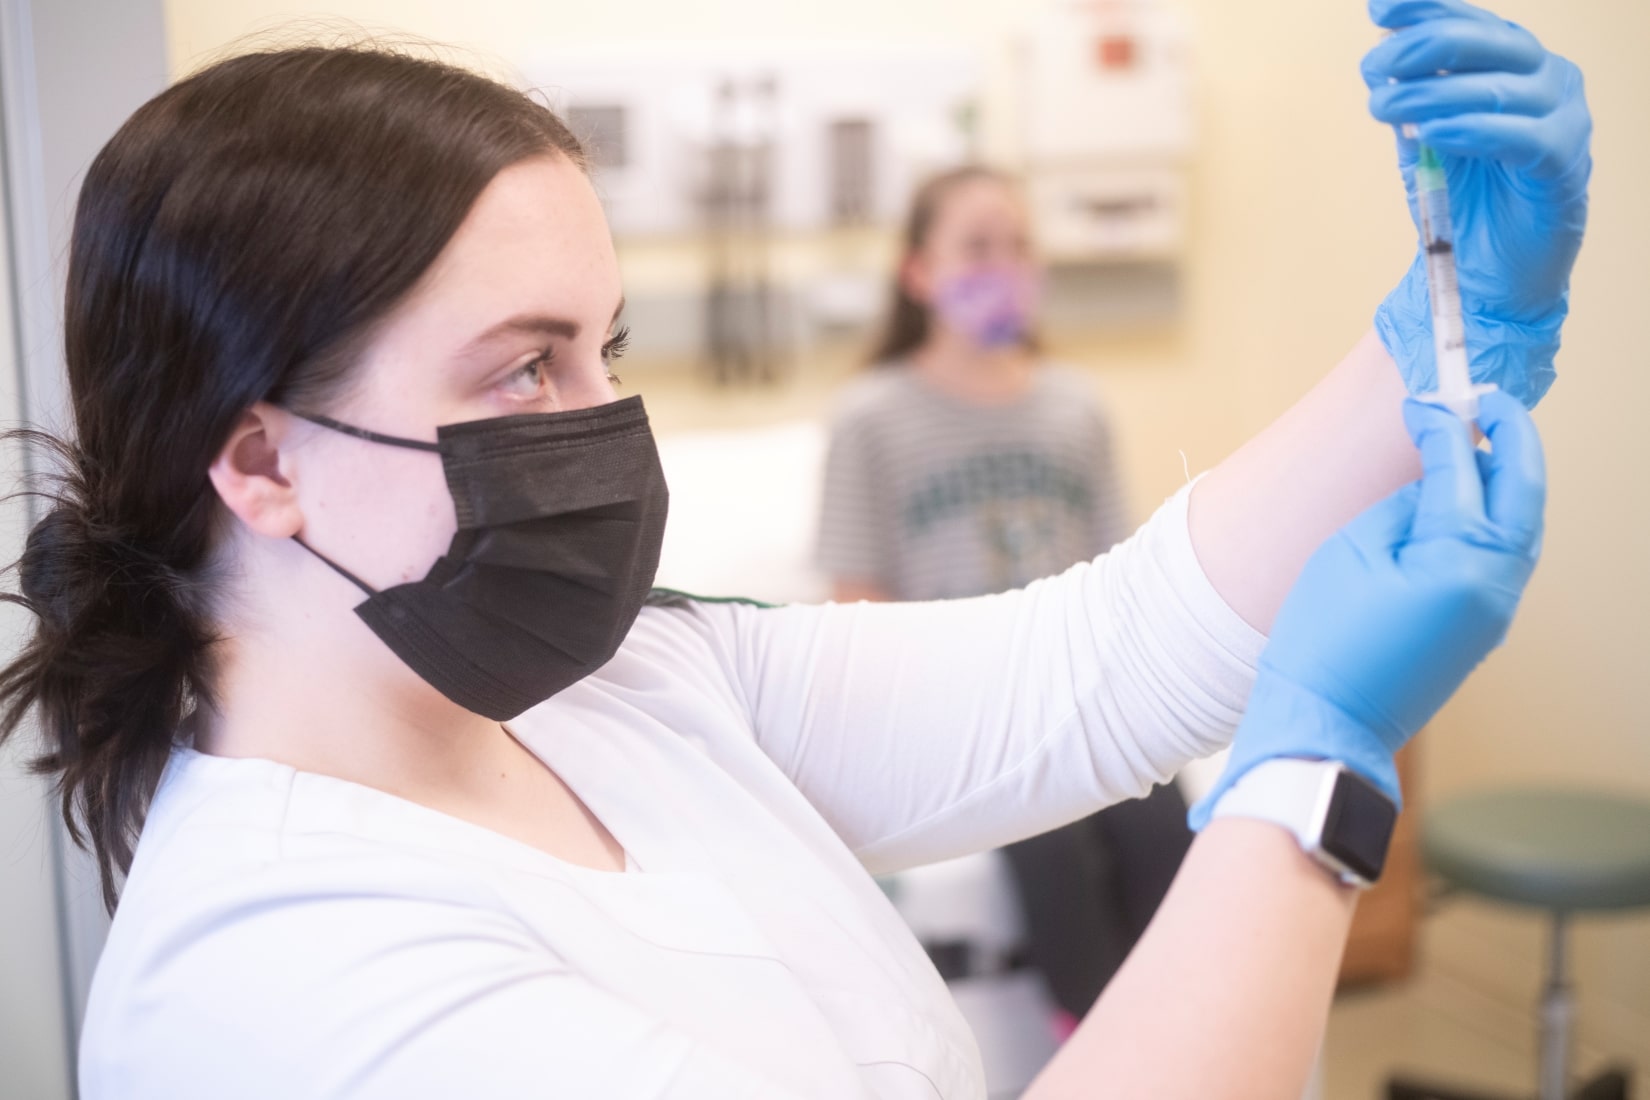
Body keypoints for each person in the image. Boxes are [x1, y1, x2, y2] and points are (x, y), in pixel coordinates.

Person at [0, 2, 1587, 1097]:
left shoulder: (611, 691)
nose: (606, 423)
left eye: (605, 350)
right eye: (524, 367)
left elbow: (1088, 663)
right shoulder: (285, 982)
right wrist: (1315, 784)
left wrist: (1455, 333)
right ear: (263, 458)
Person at [815, 165, 1192, 1037]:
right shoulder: (873, 416)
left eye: (1018, 245)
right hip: (961, 705)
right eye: (976, 246)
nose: (1004, 264)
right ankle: (1107, 1049)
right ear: (919, 273)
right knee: (1050, 835)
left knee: (1162, 823)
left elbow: (1119, 572)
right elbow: (855, 602)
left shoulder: (1074, 405)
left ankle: (1182, 1038)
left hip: (1082, 685)